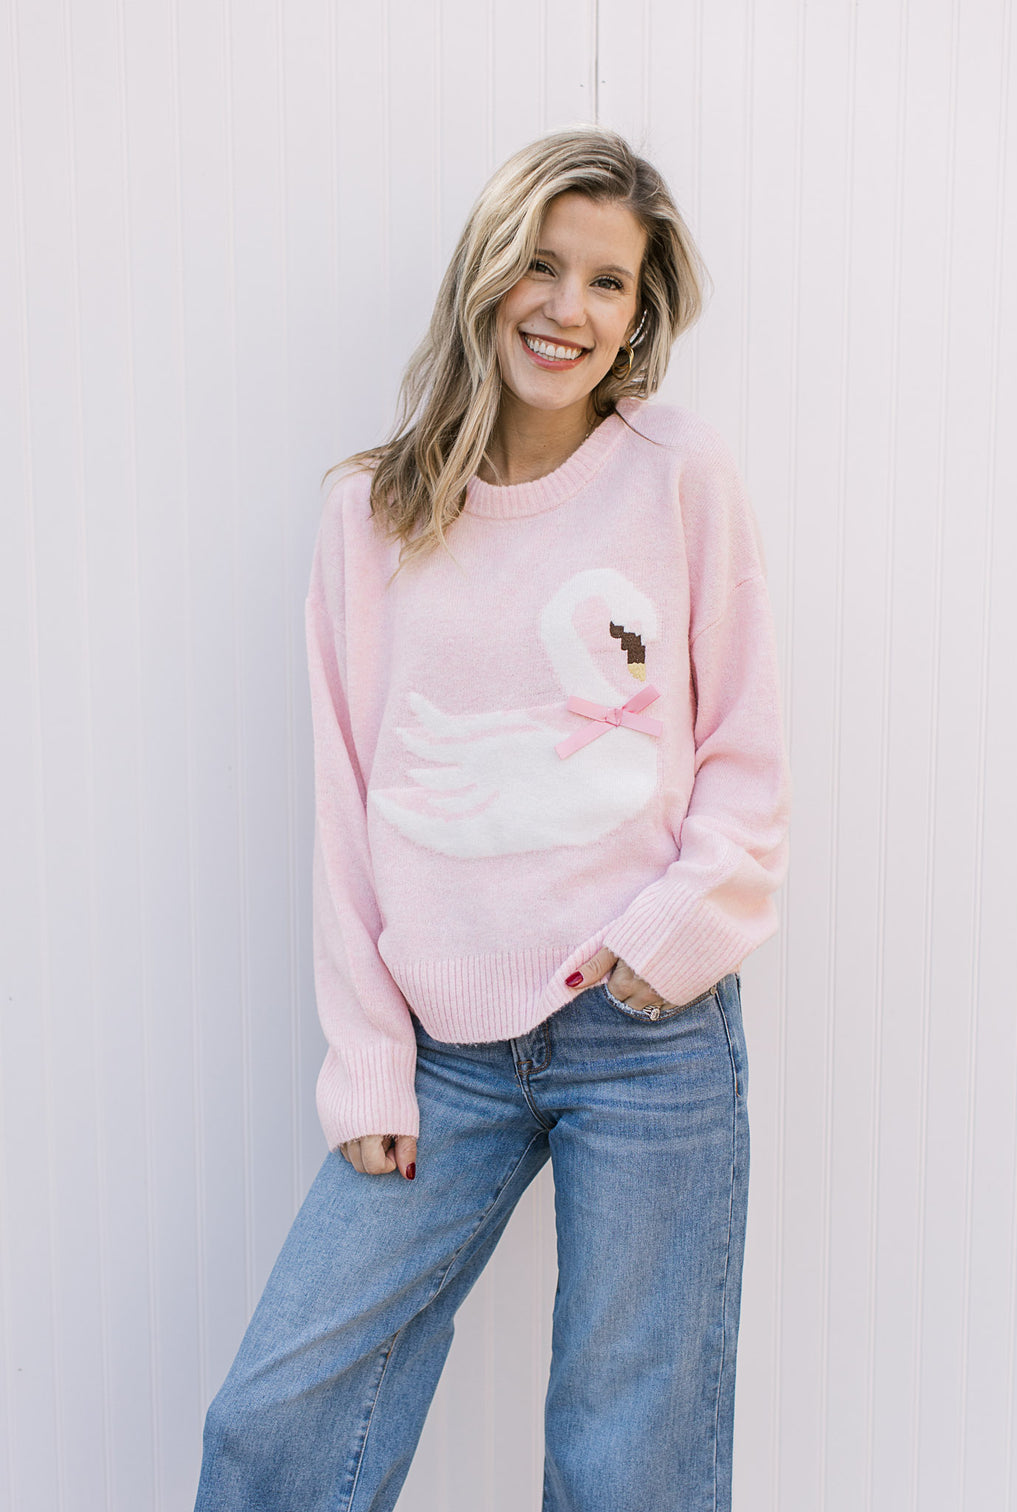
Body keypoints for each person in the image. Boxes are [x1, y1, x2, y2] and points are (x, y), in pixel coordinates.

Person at [194, 124, 791, 1512]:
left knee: (624, 1456)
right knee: (274, 1424)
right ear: (487, 272)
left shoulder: (676, 474)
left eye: (608, 283)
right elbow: (348, 805)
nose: (566, 309)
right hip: (443, 1056)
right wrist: (367, 1063)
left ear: (642, 312)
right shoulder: (370, 512)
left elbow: (743, 752)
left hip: (648, 1038)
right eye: (541, 264)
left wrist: (676, 931)